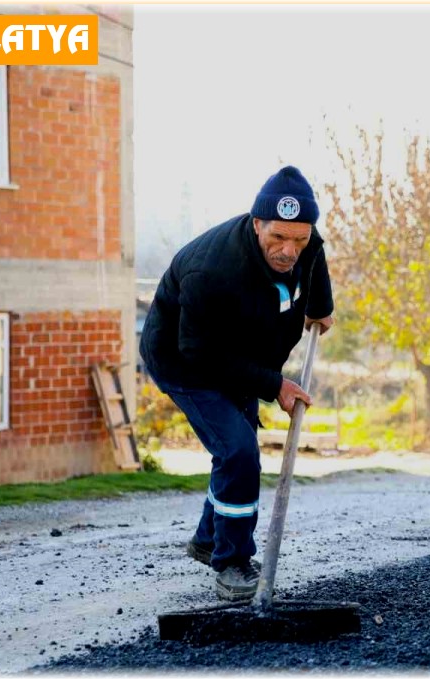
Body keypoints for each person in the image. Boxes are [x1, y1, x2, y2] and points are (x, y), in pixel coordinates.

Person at [139, 166, 335, 601]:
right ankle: (231, 562)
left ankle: (209, 540)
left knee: (235, 450)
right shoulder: (210, 270)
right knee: (240, 452)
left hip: (241, 355)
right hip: (185, 360)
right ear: (256, 224)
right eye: (278, 238)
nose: (289, 250)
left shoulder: (306, 242)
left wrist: (320, 305)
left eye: (298, 240)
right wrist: (274, 384)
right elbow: (199, 352)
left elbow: (315, 256)